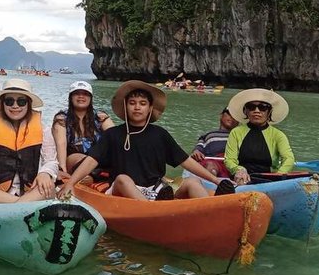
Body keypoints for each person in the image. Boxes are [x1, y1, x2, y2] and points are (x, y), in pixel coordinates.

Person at [59, 81, 233, 201]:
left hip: (157, 189)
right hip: (124, 190)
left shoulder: (160, 134)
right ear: (125, 106)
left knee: (193, 182)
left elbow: (185, 161)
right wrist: (71, 184)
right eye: (132, 102)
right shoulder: (113, 134)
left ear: (150, 108)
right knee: (122, 178)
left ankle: (211, 209)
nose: (137, 107)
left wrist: (217, 181)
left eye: (142, 103)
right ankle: (153, 210)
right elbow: (91, 160)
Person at [223, 88, 295, 185]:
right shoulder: (236, 132)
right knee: (241, 180)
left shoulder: (278, 135)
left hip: (269, 179)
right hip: (242, 178)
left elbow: (288, 159)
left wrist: (279, 175)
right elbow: (230, 160)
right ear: (246, 111)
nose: (256, 111)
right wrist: (239, 170)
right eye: (251, 107)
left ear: (269, 112)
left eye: (262, 107)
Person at [52, 81, 114, 180]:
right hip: (74, 159)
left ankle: (98, 174)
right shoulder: (62, 119)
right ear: (70, 97)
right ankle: (93, 175)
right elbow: (61, 144)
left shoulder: (100, 117)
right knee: (81, 159)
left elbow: (115, 137)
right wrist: (61, 168)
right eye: (77, 93)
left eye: (85, 94)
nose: (81, 96)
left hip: (98, 158)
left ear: (90, 98)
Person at [190, 107, 239, 174]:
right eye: (229, 114)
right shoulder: (208, 135)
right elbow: (199, 148)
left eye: (236, 116)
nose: (232, 117)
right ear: (221, 115)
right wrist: (197, 151)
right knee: (210, 166)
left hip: (234, 164)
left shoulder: (240, 136)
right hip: (214, 162)